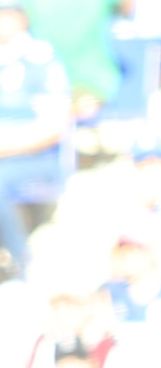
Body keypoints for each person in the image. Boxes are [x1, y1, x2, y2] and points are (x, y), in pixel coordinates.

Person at [0, 0, 70, 270]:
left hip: (34, 158)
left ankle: (21, 263)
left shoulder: (40, 60)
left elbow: (53, 127)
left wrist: (6, 147)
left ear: (21, 19)